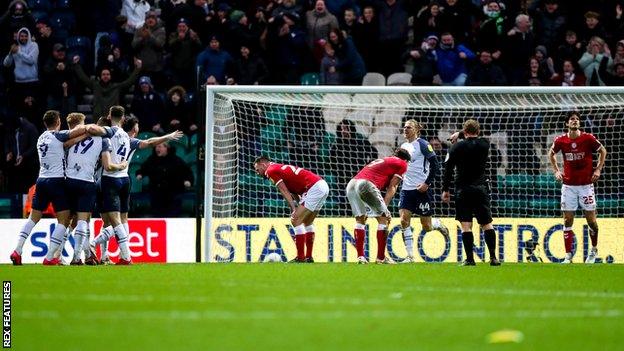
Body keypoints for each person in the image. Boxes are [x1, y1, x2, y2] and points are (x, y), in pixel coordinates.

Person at [9, 110, 88, 265]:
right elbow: (77, 132)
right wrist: (91, 130)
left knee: (33, 218)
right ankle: (50, 257)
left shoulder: (41, 138)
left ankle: (17, 251)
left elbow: (67, 142)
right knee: (63, 221)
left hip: (41, 181)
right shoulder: (58, 135)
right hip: (57, 181)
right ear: (58, 121)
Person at [64, 113, 128, 265]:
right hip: (94, 182)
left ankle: (81, 254)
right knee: (90, 220)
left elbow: (67, 145)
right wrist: (122, 165)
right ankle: (83, 255)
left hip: (70, 180)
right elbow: (108, 165)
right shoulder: (105, 139)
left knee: (74, 221)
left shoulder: (70, 138)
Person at [548, 112, 607, 264]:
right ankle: (568, 256)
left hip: (586, 186)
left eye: (577, 119)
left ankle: (593, 250)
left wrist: (598, 169)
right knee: (567, 220)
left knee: (592, 222)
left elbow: (603, 151)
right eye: (572, 119)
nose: (575, 121)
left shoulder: (588, 138)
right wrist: (556, 171)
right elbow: (551, 153)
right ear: (567, 123)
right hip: (568, 187)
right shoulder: (561, 140)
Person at [442, 119, 500, 266]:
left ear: (464, 131)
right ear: (478, 131)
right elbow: (474, 137)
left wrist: (445, 189)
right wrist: (460, 133)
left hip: (463, 189)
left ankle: (470, 259)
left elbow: (448, 170)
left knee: (466, 225)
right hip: (480, 188)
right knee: (487, 223)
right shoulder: (485, 145)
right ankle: (493, 257)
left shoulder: (456, 147)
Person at [253, 156, 330, 262]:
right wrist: (297, 206)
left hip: (313, 187)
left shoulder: (270, 171)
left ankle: (301, 257)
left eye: (257, 170)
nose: (257, 173)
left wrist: (294, 209)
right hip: (322, 185)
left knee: (295, 219)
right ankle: (308, 257)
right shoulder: (277, 168)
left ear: (263, 165)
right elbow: (293, 190)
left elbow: (284, 191)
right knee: (307, 222)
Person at [346, 148, 410, 264]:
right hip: (366, 184)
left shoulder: (384, 159)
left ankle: (361, 257)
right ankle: (381, 258)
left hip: (351, 184)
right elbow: (393, 186)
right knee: (384, 219)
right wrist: (384, 207)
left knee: (360, 219)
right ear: (406, 160)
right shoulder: (403, 164)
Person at [398, 120, 449, 263]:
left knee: (426, 227)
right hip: (406, 189)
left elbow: (435, 165)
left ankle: (437, 223)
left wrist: (427, 183)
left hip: (421, 190)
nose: (405, 129)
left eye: (409, 127)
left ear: (416, 130)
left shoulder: (423, 144)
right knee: (403, 221)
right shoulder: (404, 146)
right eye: (405, 127)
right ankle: (410, 256)